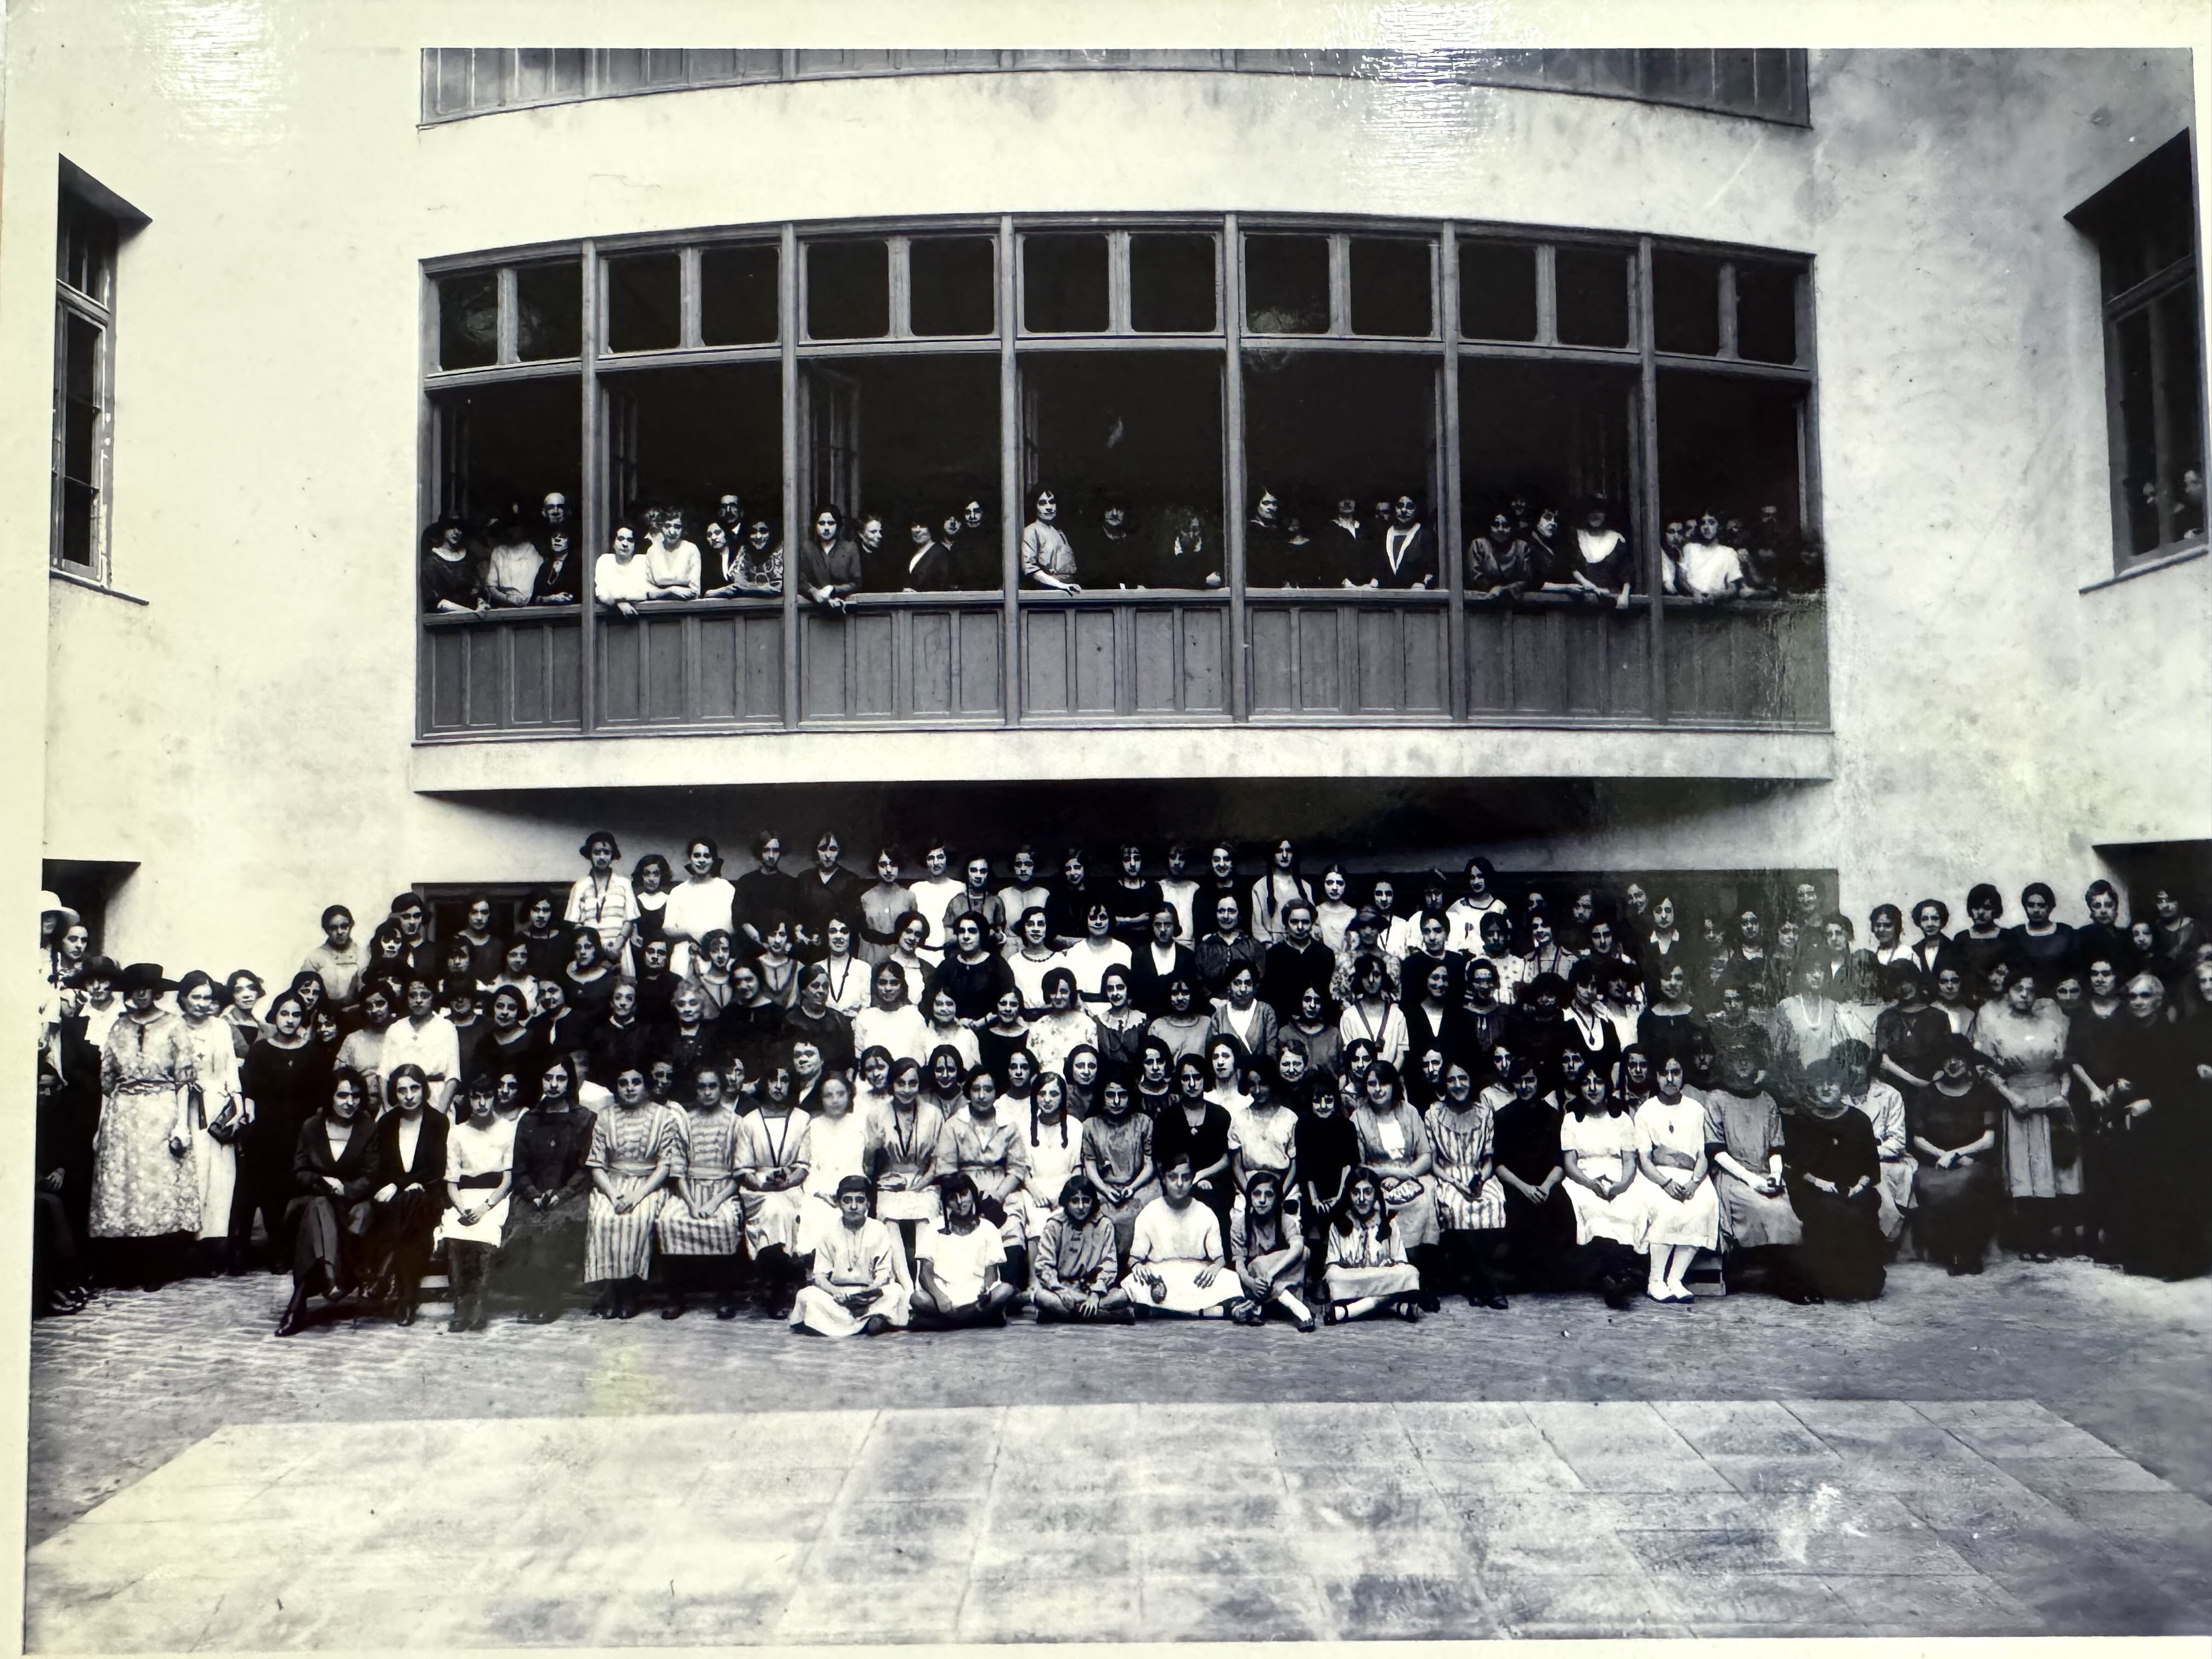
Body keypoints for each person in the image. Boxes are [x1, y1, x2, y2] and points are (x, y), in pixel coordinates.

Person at [1970, 964, 2080, 1259]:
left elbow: (2065, 1066)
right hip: (2018, 1103)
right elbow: (1985, 1069)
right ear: (2008, 992)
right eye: (2019, 989)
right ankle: (2029, 1241)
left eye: (2031, 991)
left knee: (2055, 1170)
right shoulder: (1997, 1027)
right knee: (2025, 1173)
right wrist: (2010, 1096)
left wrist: (2063, 1096)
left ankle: (2051, 1241)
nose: (2025, 995)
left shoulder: (2051, 1025)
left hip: (2052, 1101)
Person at [275, 1068, 381, 1336]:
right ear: (329, 1096)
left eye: (356, 1096)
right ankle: (331, 1276)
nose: (350, 1102)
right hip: (314, 1199)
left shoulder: (368, 1128)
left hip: (351, 1203)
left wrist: (344, 1189)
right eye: (342, 1095)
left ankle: (297, 1305)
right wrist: (323, 1183)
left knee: (320, 1213)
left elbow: (371, 1176)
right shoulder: (312, 1126)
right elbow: (299, 1170)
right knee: (317, 1207)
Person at [236, 990, 328, 1273]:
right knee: (268, 1192)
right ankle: (271, 1251)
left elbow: (322, 1098)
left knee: (295, 1190)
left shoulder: (313, 1052)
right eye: (284, 1014)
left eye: (296, 1015)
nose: (289, 1020)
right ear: (275, 1015)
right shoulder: (261, 1050)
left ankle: (292, 1252)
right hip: (266, 1133)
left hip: (300, 1133)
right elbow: (249, 1091)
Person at [1785, 1061, 1888, 1302]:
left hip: (1854, 1189)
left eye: (1831, 1082)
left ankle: (1863, 1281)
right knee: (1832, 1212)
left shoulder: (1859, 1120)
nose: (1826, 1088)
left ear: (1842, 1086)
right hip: (1813, 1189)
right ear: (1811, 1087)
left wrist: (1859, 1186)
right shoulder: (1802, 1121)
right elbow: (1794, 1167)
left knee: (1865, 1205)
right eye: (1819, 1083)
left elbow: (1871, 1168)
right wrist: (1820, 1183)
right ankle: (1831, 1283)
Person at [1704, 1045, 1805, 1288]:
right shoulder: (1717, 1098)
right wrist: (1753, 1181)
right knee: (1772, 1211)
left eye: (1748, 1057)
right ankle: (1783, 1280)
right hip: (1733, 1176)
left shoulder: (1767, 1100)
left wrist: (1776, 1175)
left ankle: (1785, 1276)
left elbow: (1775, 1146)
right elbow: (1716, 1151)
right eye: (1737, 1058)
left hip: (1765, 1173)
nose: (1742, 1063)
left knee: (1788, 1209)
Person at [1909, 1034, 2008, 1275]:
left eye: (1959, 1059)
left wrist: (1957, 1155)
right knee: (1936, 1188)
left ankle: (1970, 1253)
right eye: (1947, 1059)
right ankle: (1946, 1253)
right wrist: (1943, 1155)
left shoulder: (1982, 1093)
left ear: (1968, 1062)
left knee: (1969, 1185)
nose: (1953, 1064)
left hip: (1972, 1161)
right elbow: (1917, 1138)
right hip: (1935, 1163)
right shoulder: (1927, 1095)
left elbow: (1989, 1139)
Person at [502, 1058, 593, 1323]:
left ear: (569, 1082)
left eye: (561, 1079)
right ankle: (533, 1297)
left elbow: (585, 1168)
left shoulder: (583, 1119)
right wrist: (533, 1193)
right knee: (525, 1226)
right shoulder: (529, 1120)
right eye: (548, 1078)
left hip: (570, 1194)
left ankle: (549, 1299)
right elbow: (519, 1168)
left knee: (553, 1227)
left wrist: (560, 1195)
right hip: (532, 1192)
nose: (553, 1085)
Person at [657, 1063, 747, 1321]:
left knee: (726, 1222)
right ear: (695, 1090)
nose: (707, 1092)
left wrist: (715, 1203)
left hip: (724, 1190)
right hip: (690, 1189)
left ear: (721, 1088)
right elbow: (678, 1168)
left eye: (712, 1086)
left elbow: (738, 1174)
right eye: (702, 1087)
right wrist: (692, 1202)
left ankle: (725, 1295)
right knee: (669, 1220)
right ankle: (676, 1296)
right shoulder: (685, 1121)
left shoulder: (735, 1122)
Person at [172, 969, 247, 1273]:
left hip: (219, 1109)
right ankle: (188, 1249)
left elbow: (231, 1068)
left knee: (222, 1179)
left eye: (208, 998)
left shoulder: (221, 1028)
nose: (203, 1004)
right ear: (183, 999)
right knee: (194, 1177)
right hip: (187, 1110)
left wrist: (238, 1106)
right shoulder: (174, 1029)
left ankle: (216, 1250)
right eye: (196, 997)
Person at [1350, 1062, 1441, 1306]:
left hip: (1412, 1175)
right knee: (1382, 1206)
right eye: (1372, 1084)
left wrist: (1405, 1174)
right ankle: (1396, 1281)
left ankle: (1423, 1281)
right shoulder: (1358, 1118)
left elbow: (1425, 1155)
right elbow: (1359, 1165)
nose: (1378, 1089)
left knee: (1425, 1201)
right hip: (1377, 1179)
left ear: (1394, 1085)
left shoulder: (1409, 1111)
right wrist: (1387, 1173)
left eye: (1384, 1083)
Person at [1632, 1056, 1720, 1304]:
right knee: (1667, 1208)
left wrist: (1694, 1182)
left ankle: (1675, 1279)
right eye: (1664, 1073)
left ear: (1683, 1074)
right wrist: (1665, 1183)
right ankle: (1655, 1281)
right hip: (1657, 1176)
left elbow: (1704, 1152)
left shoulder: (1696, 1109)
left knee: (1704, 1206)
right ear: (1656, 1076)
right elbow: (1645, 1160)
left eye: (1676, 1072)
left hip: (1693, 1176)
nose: (1670, 1079)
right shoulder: (1646, 1111)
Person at [367, 1064, 449, 1325]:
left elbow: (436, 1169)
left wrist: (406, 1184)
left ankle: (386, 1273)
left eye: (414, 1089)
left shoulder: (438, 1122)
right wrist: (401, 1186)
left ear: (424, 1090)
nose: (409, 1096)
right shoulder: (387, 1123)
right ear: (395, 1094)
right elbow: (381, 1168)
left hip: (429, 1198)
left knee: (414, 1201)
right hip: (395, 1204)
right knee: (409, 1219)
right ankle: (406, 1299)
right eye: (402, 1091)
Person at [1424, 1058, 1509, 1307]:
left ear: (1471, 1081)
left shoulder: (1484, 1113)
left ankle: (1476, 1282)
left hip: (1477, 1173)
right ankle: (1486, 1285)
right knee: (1457, 1206)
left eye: (1463, 1079)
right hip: (1448, 1175)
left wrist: (1481, 1178)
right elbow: (1434, 1162)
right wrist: (1454, 1182)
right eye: (1451, 1080)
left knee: (1493, 1202)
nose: (1458, 1085)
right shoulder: (1434, 1114)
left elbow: (1489, 1159)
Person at [1558, 1068, 1645, 1308]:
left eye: (1598, 1082)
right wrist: (1590, 1183)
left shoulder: (1622, 1119)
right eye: (1586, 1083)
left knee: (1628, 1207)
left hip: (1619, 1175)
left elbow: (1630, 1160)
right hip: (1584, 1178)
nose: (1593, 1088)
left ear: (1608, 1086)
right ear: (1579, 1087)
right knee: (1595, 1209)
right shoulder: (1572, 1119)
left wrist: (1623, 1184)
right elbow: (1569, 1164)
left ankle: (1612, 1278)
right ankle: (1621, 1274)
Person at [734, 1060, 814, 1313]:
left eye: (785, 1080)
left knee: (790, 1210)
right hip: (758, 1190)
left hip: (792, 1186)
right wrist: (762, 1184)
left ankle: (781, 1283)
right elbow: (742, 1168)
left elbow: (804, 1163)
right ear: (764, 1084)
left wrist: (788, 1180)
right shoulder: (749, 1121)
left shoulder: (802, 1119)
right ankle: (776, 1285)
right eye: (773, 1080)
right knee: (773, 1210)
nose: (778, 1086)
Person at [1121, 1150, 1240, 1316]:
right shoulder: (1150, 1212)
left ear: (1192, 1179)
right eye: (1173, 1177)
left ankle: (1160, 1312)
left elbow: (1219, 1259)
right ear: (1164, 1179)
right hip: (1161, 1274)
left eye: (1185, 1178)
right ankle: (1207, 1312)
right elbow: (1134, 1258)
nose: (1179, 1183)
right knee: (1132, 1283)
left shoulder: (1205, 1212)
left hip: (1196, 1276)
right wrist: (1138, 1266)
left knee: (1230, 1279)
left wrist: (1215, 1268)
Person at [439, 1076, 516, 1333]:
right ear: (468, 1099)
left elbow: (507, 1180)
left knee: (486, 1230)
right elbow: (451, 1182)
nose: (482, 1103)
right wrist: (462, 1208)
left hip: (494, 1197)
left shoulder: (507, 1129)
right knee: (455, 1229)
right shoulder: (457, 1132)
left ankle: (480, 1304)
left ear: (495, 1097)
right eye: (476, 1097)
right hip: (464, 1198)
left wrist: (485, 1207)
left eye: (487, 1096)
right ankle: (461, 1303)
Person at [791, 1175, 910, 1338]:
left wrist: (869, 1292)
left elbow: (883, 1273)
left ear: (868, 1204)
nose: (854, 1207)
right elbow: (819, 1276)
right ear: (839, 1203)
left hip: (868, 1295)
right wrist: (835, 1292)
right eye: (847, 1201)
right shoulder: (829, 1231)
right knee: (807, 1295)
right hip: (837, 1296)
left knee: (896, 1292)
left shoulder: (879, 1229)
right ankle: (870, 1322)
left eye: (860, 1201)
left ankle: (843, 1323)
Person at [911, 1174, 1017, 1328]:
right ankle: (976, 1320)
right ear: (946, 1202)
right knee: (918, 1298)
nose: (960, 1202)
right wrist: (940, 1297)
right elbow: (925, 1274)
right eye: (953, 1198)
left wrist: (985, 1291)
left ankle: (946, 1323)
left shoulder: (988, 1228)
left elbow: (991, 1272)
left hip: (977, 1297)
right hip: (945, 1296)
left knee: (1006, 1291)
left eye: (964, 1194)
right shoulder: (934, 1227)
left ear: (973, 1195)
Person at [1320, 1166, 1424, 1321]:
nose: (1362, 1199)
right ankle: (1390, 1304)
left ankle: (1353, 1310)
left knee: (1410, 1272)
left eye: (1368, 1192)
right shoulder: (1338, 1226)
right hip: (1353, 1281)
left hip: (1382, 1277)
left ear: (1376, 1194)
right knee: (1333, 1276)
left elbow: (1401, 1262)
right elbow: (1333, 1266)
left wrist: (1383, 1276)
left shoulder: (1389, 1223)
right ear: (1349, 1194)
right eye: (1356, 1192)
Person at [867, 1057, 944, 1260]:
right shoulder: (877, 1114)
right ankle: (906, 1284)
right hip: (890, 1180)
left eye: (913, 1083)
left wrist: (923, 1182)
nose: (907, 1090)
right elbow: (868, 1164)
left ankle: (922, 1281)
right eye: (901, 1083)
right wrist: (872, 1149)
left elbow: (939, 1160)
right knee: (890, 1220)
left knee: (925, 1217)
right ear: (892, 1084)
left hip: (924, 1179)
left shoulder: (933, 1114)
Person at [1080, 1068, 1158, 1263]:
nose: (1116, 1101)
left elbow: (1149, 1165)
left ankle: (1136, 1265)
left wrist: (1132, 1188)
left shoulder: (1144, 1122)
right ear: (1102, 1096)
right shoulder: (1090, 1125)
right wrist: (1106, 1190)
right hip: (1104, 1186)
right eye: (1111, 1095)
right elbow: (1089, 1164)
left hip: (1140, 1186)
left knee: (1138, 1216)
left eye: (1122, 1095)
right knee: (1102, 1218)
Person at [1030, 1176, 1133, 1323]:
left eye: (1086, 1200)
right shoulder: (1054, 1225)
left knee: (1123, 1295)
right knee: (1042, 1296)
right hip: (1063, 1290)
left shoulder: (1104, 1225)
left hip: (1094, 1289)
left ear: (1093, 1202)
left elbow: (1109, 1265)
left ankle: (1062, 1315)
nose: (1081, 1207)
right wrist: (1058, 1289)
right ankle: (1110, 1317)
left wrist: (1095, 1295)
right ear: (1066, 1202)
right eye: (1075, 1201)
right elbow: (1044, 1265)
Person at [662, 838, 736, 979]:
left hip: (718, 955)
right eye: (697, 856)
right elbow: (668, 928)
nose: (701, 860)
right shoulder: (679, 891)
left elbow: (732, 927)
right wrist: (690, 932)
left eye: (707, 856)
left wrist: (709, 942)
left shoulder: (726, 889)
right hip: (685, 955)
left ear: (714, 859)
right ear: (690, 859)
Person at [799, 505, 863, 611]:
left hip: (844, 609)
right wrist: (815, 593)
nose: (826, 527)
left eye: (831, 523)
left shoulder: (850, 548)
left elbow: (856, 584)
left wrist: (833, 589)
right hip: (813, 610)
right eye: (822, 523)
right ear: (816, 525)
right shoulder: (808, 549)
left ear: (838, 525)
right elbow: (801, 581)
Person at [1020, 488, 1081, 591]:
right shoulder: (1031, 531)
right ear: (1035, 507)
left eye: (1052, 502)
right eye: (1043, 503)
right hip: (1046, 590)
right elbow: (1030, 568)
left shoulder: (1059, 532)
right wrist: (1060, 585)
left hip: (1070, 589)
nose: (1049, 508)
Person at [421, 516, 485, 613]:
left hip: (474, 613)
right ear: (444, 530)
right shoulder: (433, 562)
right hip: (446, 616)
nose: (456, 532)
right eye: (452, 528)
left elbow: (477, 587)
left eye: (460, 528)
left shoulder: (469, 558)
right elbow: (432, 600)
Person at [594, 522, 652, 615]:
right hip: (612, 619)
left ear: (635, 545)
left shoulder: (642, 561)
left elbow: (644, 592)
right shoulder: (605, 561)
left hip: (642, 617)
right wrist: (620, 602)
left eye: (630, 540)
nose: (625, 544)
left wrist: (617, 597)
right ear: (613, 543)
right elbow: (602, 593)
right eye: (621, 539)